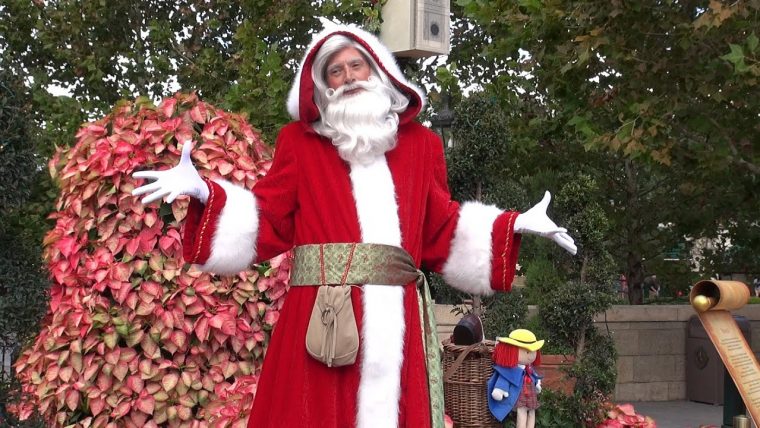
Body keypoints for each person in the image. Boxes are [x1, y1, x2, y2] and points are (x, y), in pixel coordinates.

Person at [132, 22, 576, 428]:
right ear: (322, 86)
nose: (347, 78)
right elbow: (269, 217)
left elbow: (440, 227)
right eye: (335, 72)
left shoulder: (422, 145)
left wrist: (512, 226)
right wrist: (209, 194)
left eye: (355, 65)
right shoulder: (299, 144)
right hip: (320, 318)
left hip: (399, 320)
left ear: (378, 70)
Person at [488, 329, 544, 428]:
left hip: (531, 395)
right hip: (520, 396)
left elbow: (535, 376)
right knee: (521, 413)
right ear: (512, 351)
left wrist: (537, 384)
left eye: (533, 351)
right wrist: (500, 389)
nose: (531, 356)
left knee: (532, 412)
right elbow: (505, 378)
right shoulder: (510, 370)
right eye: (527, 352)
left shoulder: (529, 369)